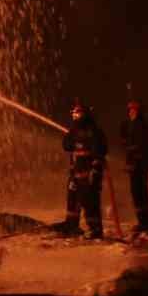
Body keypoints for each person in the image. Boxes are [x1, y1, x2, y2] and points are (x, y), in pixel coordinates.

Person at [59, 100, 108, 239]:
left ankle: (95, 230)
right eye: (73, 113)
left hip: (89, 176)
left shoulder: (94, 132)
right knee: (72, 201)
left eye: (77, 113)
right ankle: (72, 226)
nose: (74, 115)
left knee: (90, 203)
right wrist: (71, 132)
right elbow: (66, 146)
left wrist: (95, 172)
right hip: (75, 174)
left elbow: (100, 153)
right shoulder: (74, 131)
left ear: (84, 114)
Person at [120, 99, 148, 232]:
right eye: (129, 110)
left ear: (139, 112)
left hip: (139, 165)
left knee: (141, 192)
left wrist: (131, 151)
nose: (131, 112)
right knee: (137, 193)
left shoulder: (141, 126)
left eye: (133, 110)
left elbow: (141, 146)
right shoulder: (131, 125)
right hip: (134, 165)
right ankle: (143, 221)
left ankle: (146, 222)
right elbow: (127, 143)